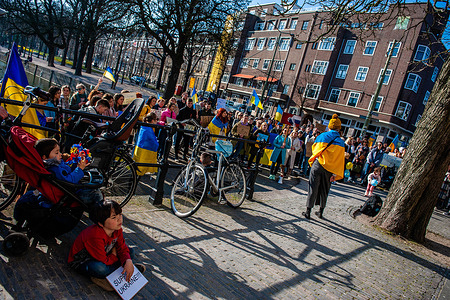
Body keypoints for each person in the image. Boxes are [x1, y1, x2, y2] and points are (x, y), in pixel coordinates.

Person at [68, 200, 145, 291]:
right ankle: (108, 277)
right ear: (101, 223)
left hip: (106, 253)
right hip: (85, 260)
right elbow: (103, 260)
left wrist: (127, 261)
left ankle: (123, 271)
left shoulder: (117, 228)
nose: (119, 219)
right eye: (114, 217)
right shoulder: (95, 236)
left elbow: (122, 247)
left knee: (130, 252)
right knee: (100, 269)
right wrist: (114, 255)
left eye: (120, 214)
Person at [302, 114, 345, 219]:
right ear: (339, 129)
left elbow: (314, 150)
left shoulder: (323, 136)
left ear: (329, 127)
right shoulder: (341, 142)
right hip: (330, 169)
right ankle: (321, 212)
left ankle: (308, 211)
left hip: (319, 165)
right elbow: (339, 160)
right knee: (325, 189)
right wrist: (334, 174)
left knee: (313, 187)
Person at [34, 138, 102, 205]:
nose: (60, 154)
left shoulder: (57, 164)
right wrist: (80, 169)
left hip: (71, 190)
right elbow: (69, 181)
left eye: (59, 151)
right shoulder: (54, 169)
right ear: (44, 157)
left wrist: (76, 162)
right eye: (57, 153)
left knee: (95, 188)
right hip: (70, 194)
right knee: (96, 194)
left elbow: (68, 169)